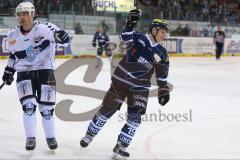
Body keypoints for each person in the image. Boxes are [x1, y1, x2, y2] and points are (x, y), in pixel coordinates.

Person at [80, 9, 170, 159]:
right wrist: (129, 24)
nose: (164, 35)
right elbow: (124, 37)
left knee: (135, 118)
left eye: (166, 33)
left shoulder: (162, 53)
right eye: (162, 32)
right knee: (107, 110)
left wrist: (163, 89)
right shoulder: (139, 38)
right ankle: (89, 134)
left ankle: (121, 145)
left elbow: (162, 73)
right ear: (154, 30)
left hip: (140, 88)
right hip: (121, 81)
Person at [1, 1, 69, 151]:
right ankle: (30, 138)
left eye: (25, 13)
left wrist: (63, 36)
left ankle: (50, 137)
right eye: (19, 14)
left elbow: (63, 38)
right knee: (29, 106)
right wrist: (8, 71)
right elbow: (13, 56)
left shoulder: (45, 28)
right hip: (24, 72)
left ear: (32, 14)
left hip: (45, 70)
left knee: (46, 109)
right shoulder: (12, 34)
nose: (22, 17)